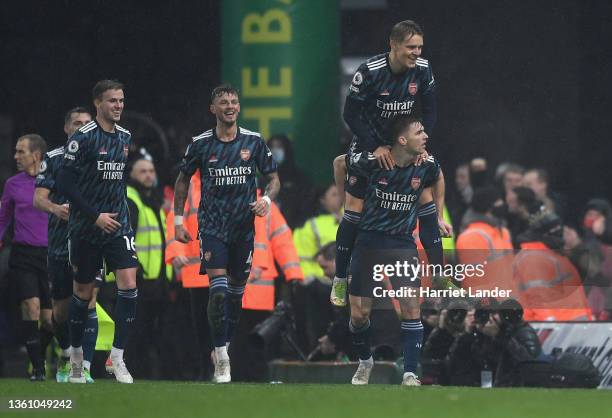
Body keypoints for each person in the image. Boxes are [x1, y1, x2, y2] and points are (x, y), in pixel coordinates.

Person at [332, 20, 450, 308]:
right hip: (371, 144)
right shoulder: (370, 72)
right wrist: (375, 145)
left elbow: (431, 108)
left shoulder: (423, 69)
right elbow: (351, 114)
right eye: (411, 47)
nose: (416, 53)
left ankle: (439, 276)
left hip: (404, 142)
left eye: (420, 47)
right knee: (354, 210)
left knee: (425, 200)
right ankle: (340, 278)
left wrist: (422, 141)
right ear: (394, 45)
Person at [173, 84, 279, 383]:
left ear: (239, 107)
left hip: (243, 228)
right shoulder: (201, 144)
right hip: (212, 227)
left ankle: (224, 345)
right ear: (213, 109)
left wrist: (266, 200)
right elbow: (183, 180)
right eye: (223, 102)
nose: (230, 106)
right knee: (218, 293)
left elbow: (273, 178)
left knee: (234, 297)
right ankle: (220, 355)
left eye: (234, 101)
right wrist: (179, 220)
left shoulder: (254, 142)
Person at [346, 114, 442, 386]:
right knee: (359, 314)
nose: (426, 136)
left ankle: (410, 373)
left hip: (402, 243)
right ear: (402, 140)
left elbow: (435, 191)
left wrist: (440, 215)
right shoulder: (372, 164)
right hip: (368, 241)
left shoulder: (426, 166)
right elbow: (340, 163)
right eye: (419, 132)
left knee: (412, 308)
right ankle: (365, 361)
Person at [56, 80, 138, 384]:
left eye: (121, 100)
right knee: (83, 293)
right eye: (112, 100)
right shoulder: (82, 138)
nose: (118, 105)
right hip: (86, 226)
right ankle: (76, 358)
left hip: (118, 225)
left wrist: (113, 213)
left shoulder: (126, 137)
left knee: (128, 283)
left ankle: (117, 357)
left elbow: (114, 180)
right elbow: (64, 184)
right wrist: (94, 215)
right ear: (98, 104)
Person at [34, 107, 101, 383]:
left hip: (90, 238)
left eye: (87, 123)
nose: (83, 127)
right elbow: (38, 198)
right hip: (61, 242)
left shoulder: (101, 155)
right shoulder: (53, 158)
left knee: (89, 301)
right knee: (60, 313)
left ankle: (82, 366)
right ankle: (67, 353)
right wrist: (55, 209)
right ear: (66, 128)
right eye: (77, 123)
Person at [116, 157, 173, 378]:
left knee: (153, 332)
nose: (149, 175)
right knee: (137, 332)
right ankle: (135, 371)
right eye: (143, 172)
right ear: (132, 175)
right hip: (139, 279)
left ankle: (148, 372)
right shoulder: (132, 200)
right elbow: (126, 236)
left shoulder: (152, 201)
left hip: (157, 281)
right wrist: (135, 267)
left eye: (151, 171)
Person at [0, 134, 49, 380]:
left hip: (51, 255)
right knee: (32, 307)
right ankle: (38, 368)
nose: (16, 156)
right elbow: (3, 216)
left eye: (21, 152)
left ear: (36, 156)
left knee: (51, 320)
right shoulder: (13, 184)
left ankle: (40, 354)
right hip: (23, 254)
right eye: (16, 151)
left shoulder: (55, 181)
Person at [267, 134, 315, 228]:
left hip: (294, 230)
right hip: (268, 230)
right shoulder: (264, 178)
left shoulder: (300, 179)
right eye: (272, 147)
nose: (275, 150)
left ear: (287, 149)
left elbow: (306, 208)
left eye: (279, 146)